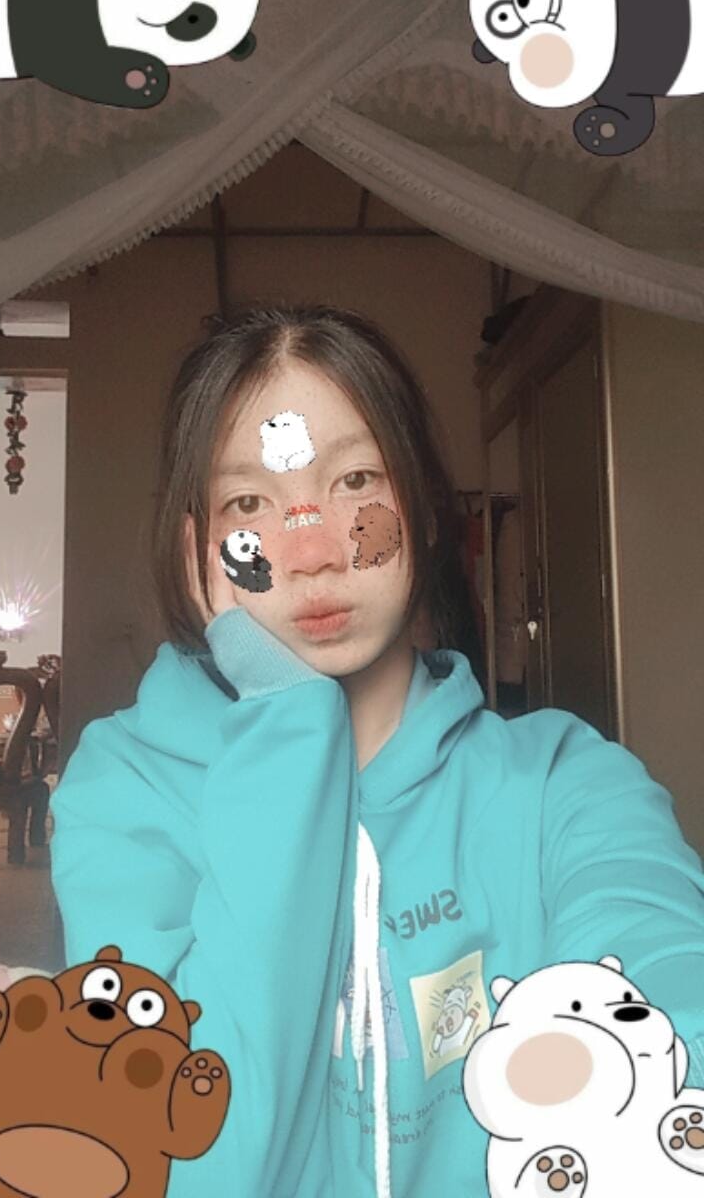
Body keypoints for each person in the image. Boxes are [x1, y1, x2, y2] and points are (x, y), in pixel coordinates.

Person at [49, 304, 704, 1198]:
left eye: (356, 480)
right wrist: (288, 724)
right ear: (193, 542)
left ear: (426, 510)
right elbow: (181, 1165)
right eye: (249, 504)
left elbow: (665, 998)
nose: (314, 551)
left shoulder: (565, 782)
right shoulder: (123, 789)